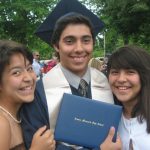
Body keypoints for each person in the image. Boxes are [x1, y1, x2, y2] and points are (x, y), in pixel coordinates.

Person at [21, 0, 121, 149]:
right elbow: (36, 143)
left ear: (93, 43)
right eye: (69, 41)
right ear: (56, 46)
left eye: (86, 40)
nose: (79, 48)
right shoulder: (38, 93)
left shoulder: (110, 84)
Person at [0, 40, 55, 150]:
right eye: (16, 72)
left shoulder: (25, 112)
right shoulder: (2, 124)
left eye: (29, 69)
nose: (29, 78)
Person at [107, 45, 150, 150]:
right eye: (115, 72)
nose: (121, 79)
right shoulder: (107, 119)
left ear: (144, 76)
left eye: (130, 72)